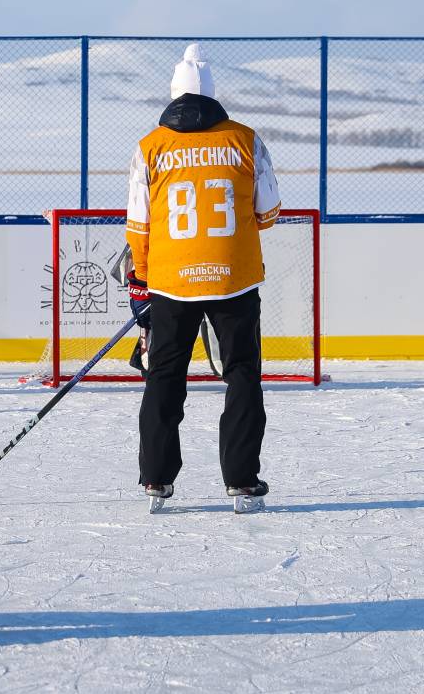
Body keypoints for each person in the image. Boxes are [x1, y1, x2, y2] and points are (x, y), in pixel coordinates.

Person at [125, 44, 281, 513]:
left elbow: (138, 223)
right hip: (234, 279)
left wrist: (147, 279)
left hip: (172, 282)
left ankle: (155, 481)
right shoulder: (245, 139)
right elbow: (269, 211)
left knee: (164, 376)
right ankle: (241, 482)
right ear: (213, 93)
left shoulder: (150, 146)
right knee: (241, 375)